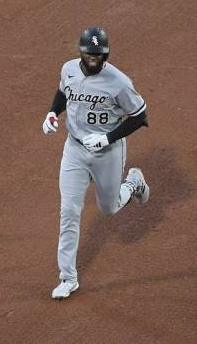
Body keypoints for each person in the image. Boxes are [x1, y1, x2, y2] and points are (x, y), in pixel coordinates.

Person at [41, 27, 150, 300]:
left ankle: (134, 182)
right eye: (88, 54)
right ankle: (68, 278)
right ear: (81, 52)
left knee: (109, 208)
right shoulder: (68, 69)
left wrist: (108, 138)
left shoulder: (119, 83)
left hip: (108, 153)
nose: (92, 59)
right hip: (74, 151)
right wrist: (52, 113)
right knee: (69, 212)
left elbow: (141, 117)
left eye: (97, 55)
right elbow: (63, 93)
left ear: (106, 55)